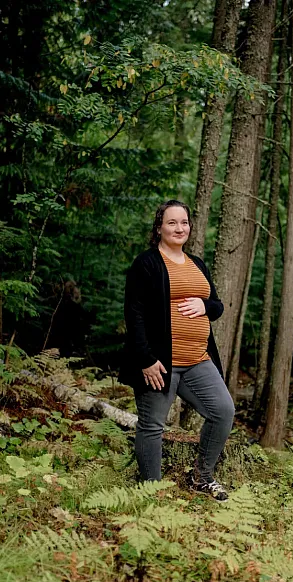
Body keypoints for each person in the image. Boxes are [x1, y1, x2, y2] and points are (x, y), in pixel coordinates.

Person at [119, 200, 235, 502]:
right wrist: (145, 359)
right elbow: (134, 313)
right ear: (159, 227)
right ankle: (151, 490)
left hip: (198, 359)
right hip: (159, 362)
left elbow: (218, 306)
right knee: (152, 425)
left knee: (223, 411)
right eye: (172, 223)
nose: (179, 228)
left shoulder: (197, 264)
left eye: (184, 222)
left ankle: (202, 477)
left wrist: (205, 305)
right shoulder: (146, 263)